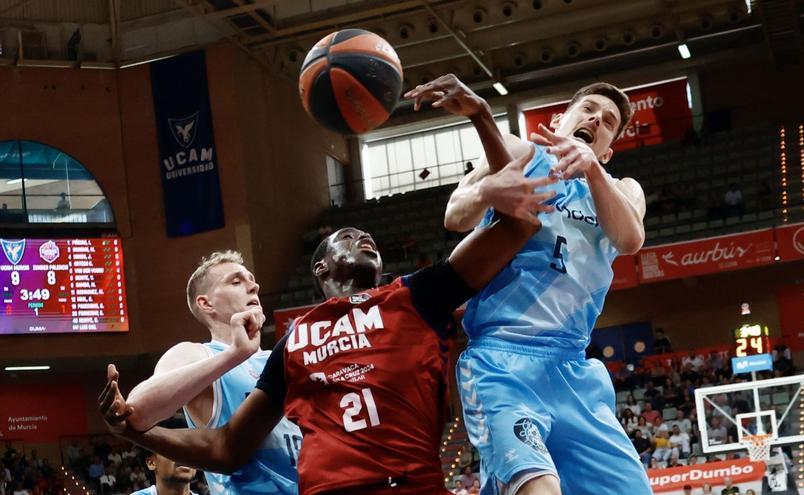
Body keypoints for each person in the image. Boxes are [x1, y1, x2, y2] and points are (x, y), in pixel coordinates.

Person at [99, 155, 554, 495]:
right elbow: (221, 445)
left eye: (367, 235)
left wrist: (494, 159)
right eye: (346, 237)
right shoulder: (291, 338)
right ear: (318, 270)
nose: (363, 237)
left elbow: (516, 229)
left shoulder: (412, 296)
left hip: (404, 482)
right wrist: (133, 431)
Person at [407, 73, 648, 495]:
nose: (597, 118)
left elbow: (629, 240)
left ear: (607, 151)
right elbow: (455, 215)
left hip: (574, 368)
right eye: (589, 109)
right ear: (560, 120)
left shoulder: (623, 189)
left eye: (609, 121)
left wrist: (590, 171)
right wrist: (487, 193)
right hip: (502, 360)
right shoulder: (521, 151)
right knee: (539, 488)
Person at [103, 250, 302, 495]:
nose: (253, 287)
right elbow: (137, 412)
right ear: (206, 303)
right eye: (236, 281)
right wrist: (235, 354)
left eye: (252, 281)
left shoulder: (286, 356)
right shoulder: (195, 354)